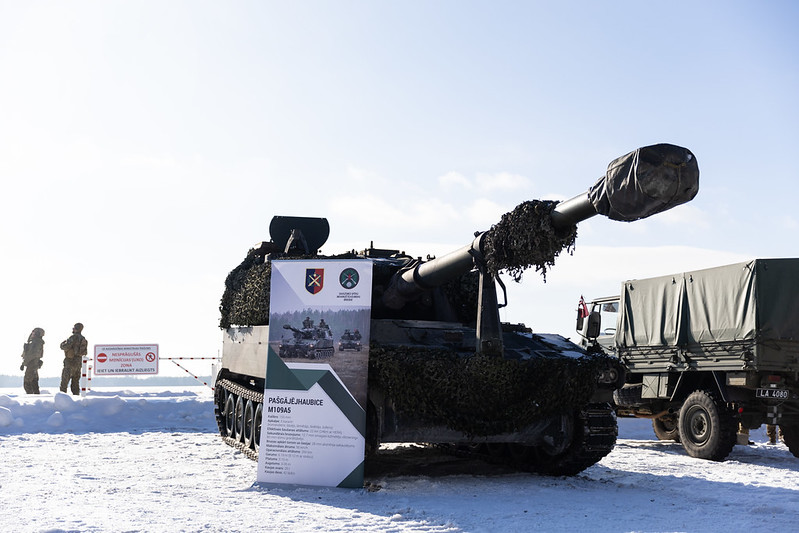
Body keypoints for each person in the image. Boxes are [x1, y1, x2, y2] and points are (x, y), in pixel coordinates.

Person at [59, 322, 87, 395]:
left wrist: (62, 344)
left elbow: (65, 347)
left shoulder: (73, 337)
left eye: (74, 328)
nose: (73, 329)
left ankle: (62, 398)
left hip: (70, 362)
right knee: (75, 382)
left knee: (64, 382)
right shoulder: (83, 339)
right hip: (78, 363)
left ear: (76, 329)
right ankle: (76, 398)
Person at [20, 328, 45, 394]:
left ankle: (31, 397)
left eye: (34, 333)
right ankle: (35, 397)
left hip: (32, 364)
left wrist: (23, 364)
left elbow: (31, 355)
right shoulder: (36, 342)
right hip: (33, 364)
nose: (32, 334)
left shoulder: (36, 343)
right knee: (34, 382)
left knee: (27, 383)